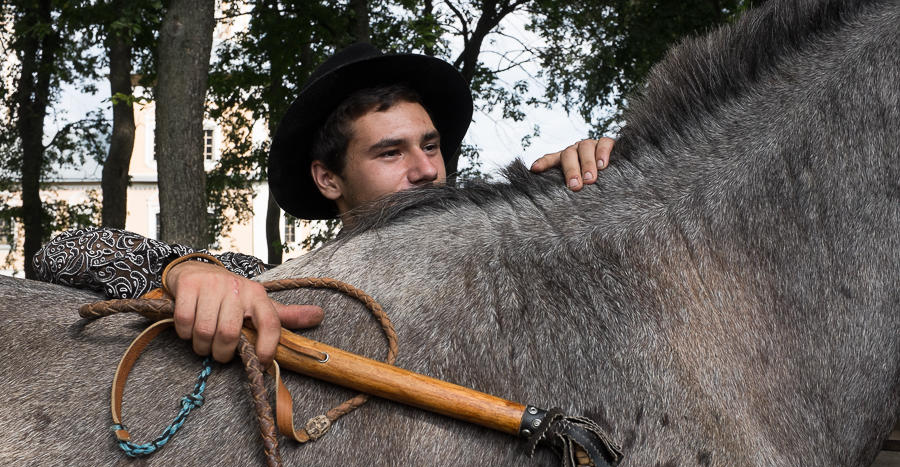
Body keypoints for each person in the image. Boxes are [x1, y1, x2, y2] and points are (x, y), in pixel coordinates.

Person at [34, 43, 614, 367]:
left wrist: (603, 184)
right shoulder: (280, 291)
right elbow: (62, 251)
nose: (427, 169)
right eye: (391, 152)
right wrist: (185, 272)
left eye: (431, 145)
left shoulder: (500, 264)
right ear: (328, 179)